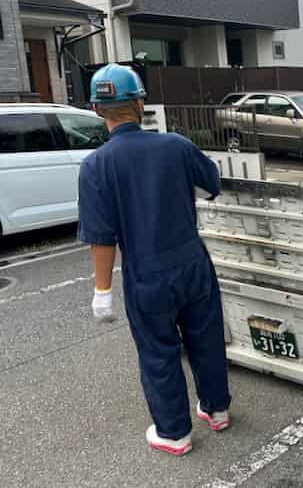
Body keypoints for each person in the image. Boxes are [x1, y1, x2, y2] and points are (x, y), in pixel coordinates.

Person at [79, 63, 231, 456]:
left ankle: (174, 433)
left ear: (97, 109)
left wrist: (102, 291)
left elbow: (100, 236)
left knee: (159, 351)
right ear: (140, 104)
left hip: (147, 274)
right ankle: (216, 410)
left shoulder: (96, 165)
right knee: (206, 339)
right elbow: (212, 184)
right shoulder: (176, 146)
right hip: (193, 262)